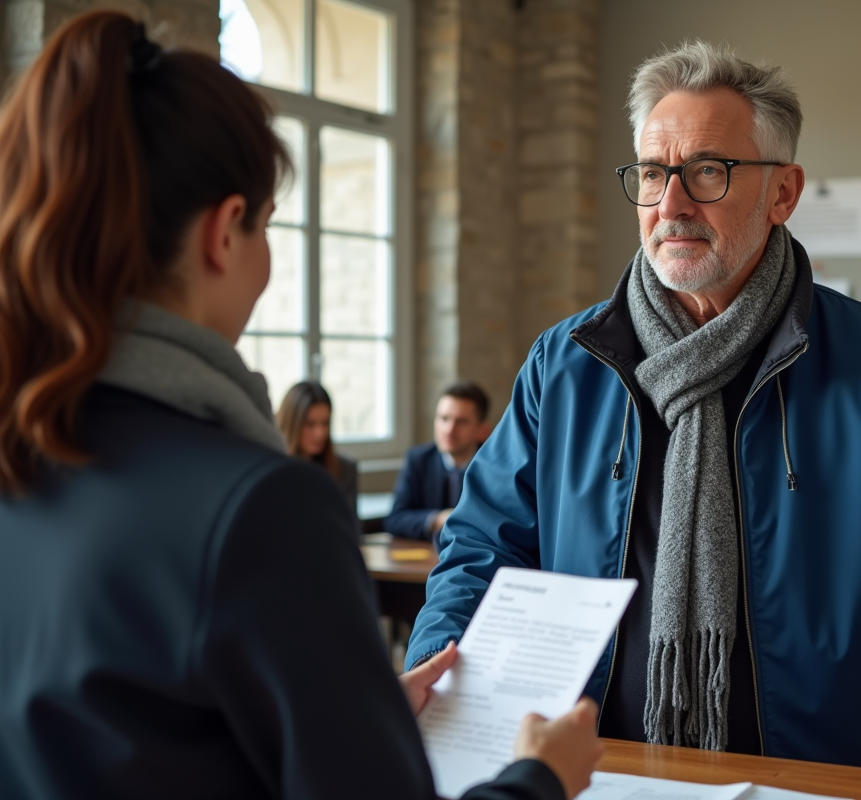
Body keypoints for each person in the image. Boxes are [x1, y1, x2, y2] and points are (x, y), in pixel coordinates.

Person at [407, 41, 861, 800]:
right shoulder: (565, 365)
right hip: (599, 776)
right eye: (653, 174)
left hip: (819, 782)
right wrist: (436, 676)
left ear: (783, 193)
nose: (671, 205)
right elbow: (482, 548)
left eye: (707, 172)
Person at [0, 12, 600, 799]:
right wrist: (541, 777)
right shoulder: (260, 507)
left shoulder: (28, 453)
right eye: (269, 228)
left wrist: (355, 712)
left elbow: (145, 736)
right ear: (224, 233)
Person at [384, 379, 490, 545]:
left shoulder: (493, 466)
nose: (449, 430)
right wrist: (437, 519)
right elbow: (395, 520)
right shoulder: (419, 460)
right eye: (444, 418)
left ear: (482, 430)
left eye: (461, 421)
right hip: (426, 562)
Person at [277, 380, 358, 516]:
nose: (320, 434)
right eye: (310, 424)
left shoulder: (344, 469)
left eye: (325, 423)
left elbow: (351, 531)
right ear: (292, 424)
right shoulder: (274, 472)